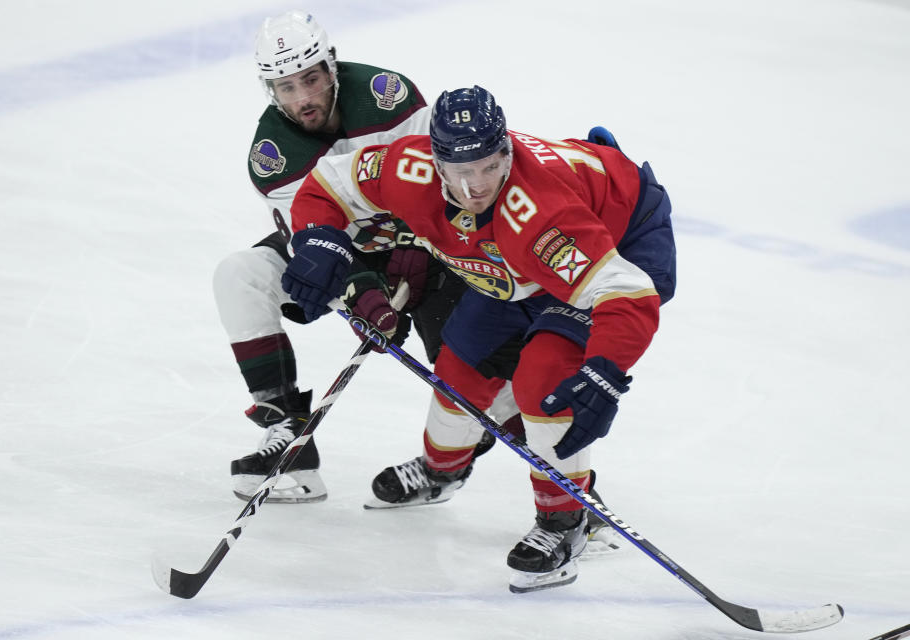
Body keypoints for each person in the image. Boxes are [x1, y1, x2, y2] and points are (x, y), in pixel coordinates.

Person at [282, 85, 675, 592]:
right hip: (515, 261)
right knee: (460, 363)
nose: (476, 187)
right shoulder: (409, 168)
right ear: (435, 159)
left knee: (545, 378)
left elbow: (628, 292)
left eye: (490, 167)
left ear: (507, 152)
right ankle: (441, 471)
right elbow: (328, 185)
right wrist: (318, 236)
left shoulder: (538, 215)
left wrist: (604, 372)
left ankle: (564, 521)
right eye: (463, 171)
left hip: (619, 239)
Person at [212, 10, 481, 503]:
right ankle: (288, 430)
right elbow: (312, 240)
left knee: (475, 376)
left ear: (331, 66)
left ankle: (472, 477)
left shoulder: (387, 96)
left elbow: (442, 184)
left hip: (433, 250)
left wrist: (422, 247)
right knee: (241, 274)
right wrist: (360, 292)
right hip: (348, 256)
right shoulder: (272, 152)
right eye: (285, 87)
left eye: (311, 79)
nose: (303, 98)